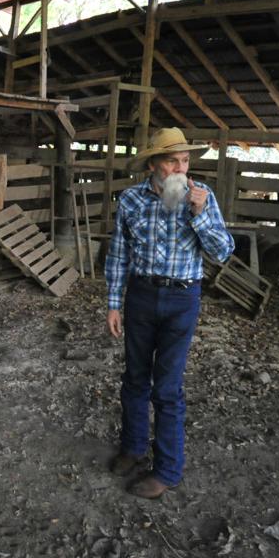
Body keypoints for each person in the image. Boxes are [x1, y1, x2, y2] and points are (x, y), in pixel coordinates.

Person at [104, 127, 234, 499]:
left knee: (167, 388)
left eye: (186, 160)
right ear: (154, 165)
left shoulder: (202, 198)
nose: (181, 168)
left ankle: (167, 471)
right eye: (172, 160)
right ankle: (132, 448)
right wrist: (114, 302)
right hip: (141, 295)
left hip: (182, 299)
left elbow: (223, 252)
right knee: (134, 378)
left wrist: (200, 214)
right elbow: (118, 254)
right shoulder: (131, 200)